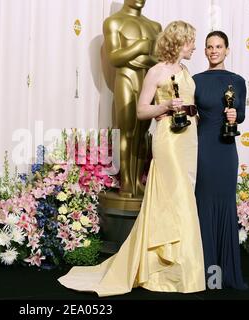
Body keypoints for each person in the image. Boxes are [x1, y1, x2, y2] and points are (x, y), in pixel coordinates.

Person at [58, 21, 205, 297]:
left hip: (188, 141)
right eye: (191, 42)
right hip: (168, 141)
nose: (195, 47)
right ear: (178, 41)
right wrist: (164, 107)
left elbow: (188, 101)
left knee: (183, 197)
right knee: (176, 198)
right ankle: (165, 268)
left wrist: (193, 113)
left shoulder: (186, 71)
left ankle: (179, 268)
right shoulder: (156, 71)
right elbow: (140, 111)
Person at [193, 31, 248, 290]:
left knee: (225, 207)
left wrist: (235, 115)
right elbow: (188, 116)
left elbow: (242, 115)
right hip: (203, 150)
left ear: (227, 49)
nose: (213, 51)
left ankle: (225, 275)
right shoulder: (195, 81)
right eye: (209, 47)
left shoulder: (237, 81)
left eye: (218, 46)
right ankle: (206, 276)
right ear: (204, 51)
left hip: (226, 150)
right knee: (203, 206)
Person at [103, 0, 161, 198]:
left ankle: (138, 180)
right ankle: (126, 181)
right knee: (127, 130)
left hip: (148, 82)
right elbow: (114, 58)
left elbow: (159, 61)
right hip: (126, 79)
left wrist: (143, 59)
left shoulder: (154, 26)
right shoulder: (114, 22)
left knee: (143, 133)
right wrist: (139, 47)